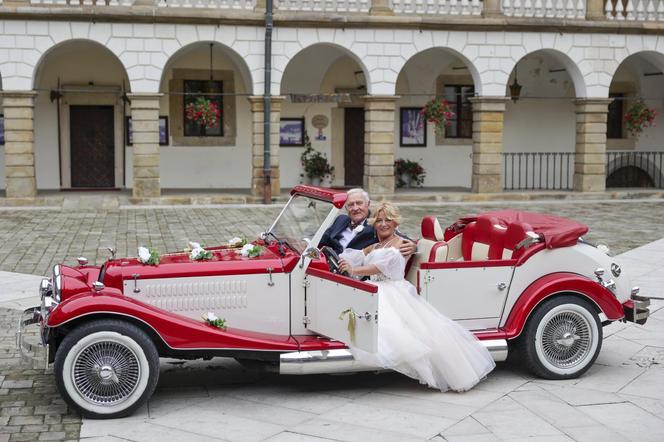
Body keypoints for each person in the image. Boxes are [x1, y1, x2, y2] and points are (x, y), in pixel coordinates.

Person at [337, 202, 495, 392]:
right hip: (376, 286)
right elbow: (353, 256)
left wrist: (354, 269)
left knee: (394, 333)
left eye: (388, 220)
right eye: (379, 220)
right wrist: (338, 259)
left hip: (391, 290)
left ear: (396, 223)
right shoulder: (377, 245)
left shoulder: (400, 245)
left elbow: (379, 267)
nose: (383, 223)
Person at [319, 188, 416, 257]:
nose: (355, 208)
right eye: (351, 205)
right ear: (346, 208)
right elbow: (322, 239)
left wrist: (413, 246)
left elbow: (397, 236)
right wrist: (306, 243)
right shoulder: (340, 219)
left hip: (356, 277)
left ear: (368, 204)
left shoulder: (377, 223)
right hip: (330, 268)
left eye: (359, 203)